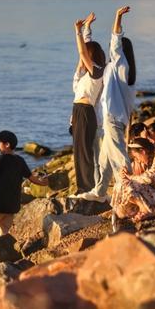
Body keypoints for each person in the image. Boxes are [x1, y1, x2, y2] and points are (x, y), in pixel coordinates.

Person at [77, 6, 136, 202]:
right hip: (114, 117)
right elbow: (87, 52)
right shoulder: (116, 69)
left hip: (112, 117)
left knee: (118, 158)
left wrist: (118, 17)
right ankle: (100, 192)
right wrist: (86, 30)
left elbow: (115, 39)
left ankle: (130, 192)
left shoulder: (120, 64)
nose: (111, 48)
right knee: (104, 159)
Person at [0, 130, 48, 245]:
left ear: (7, 144)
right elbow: (32, 178)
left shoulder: (1, 159)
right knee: (5, 236)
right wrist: (44, 183)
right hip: (12, 206)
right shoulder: (20, 160)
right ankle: (7, 257)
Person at [71, 13, 106, 194]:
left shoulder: (98, 72)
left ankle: (87, 188)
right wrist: (87, 28)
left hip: (86, 112)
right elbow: (83, 53)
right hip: (78, 111)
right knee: (79, 152)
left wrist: (77, 31)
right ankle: (82, 187)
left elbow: (82, 52)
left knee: (86, 153)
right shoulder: (86, 73)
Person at [112, 138, 155, 222]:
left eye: (137, 157)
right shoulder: (150, 155)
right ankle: (135, 210)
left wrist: (130, 176)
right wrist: (124, 173)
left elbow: (150, 178)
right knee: (121, 184)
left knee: (130, 184)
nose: (138, 160)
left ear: (143, 151)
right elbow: (138, 177)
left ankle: (145, 210)